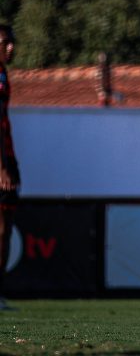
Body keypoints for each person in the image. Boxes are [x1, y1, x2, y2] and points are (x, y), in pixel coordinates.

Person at [0, 25, 19, 311]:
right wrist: (1, 167)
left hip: (7, 156)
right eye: (4, 42)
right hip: (2, 160)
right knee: (2, 229)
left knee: (5, 229)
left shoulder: (4, 74)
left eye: (11, 42)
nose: (11, 47)